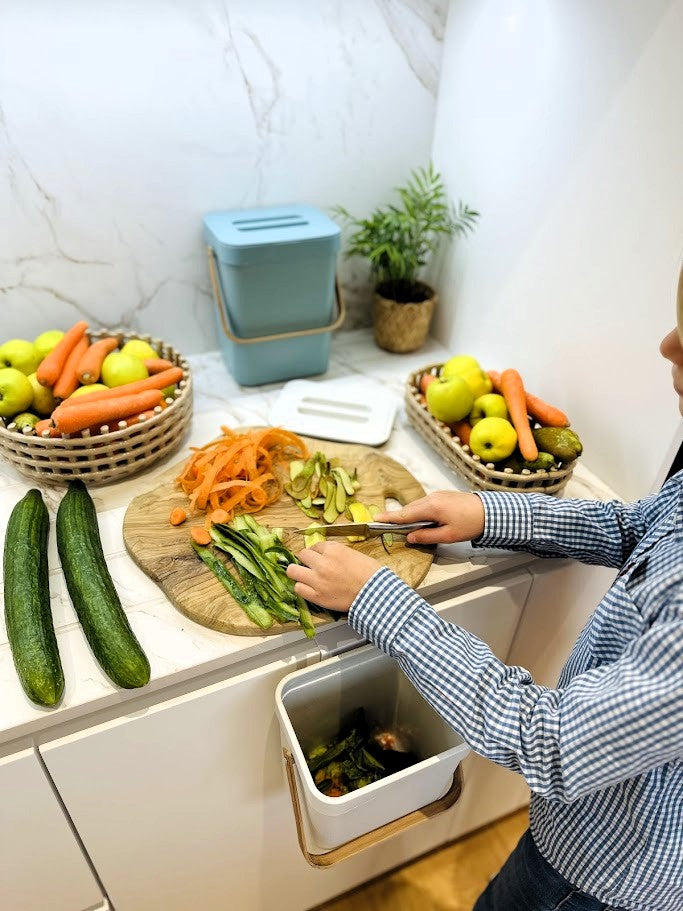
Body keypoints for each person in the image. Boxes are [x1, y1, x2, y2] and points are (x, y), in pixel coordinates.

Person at [286, 323, 683, 911]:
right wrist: (489, 513)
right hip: (585, 825)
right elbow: (637, 528)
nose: (667, 343)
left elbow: (553, 742)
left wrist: (378, 598)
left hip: (608, 868)